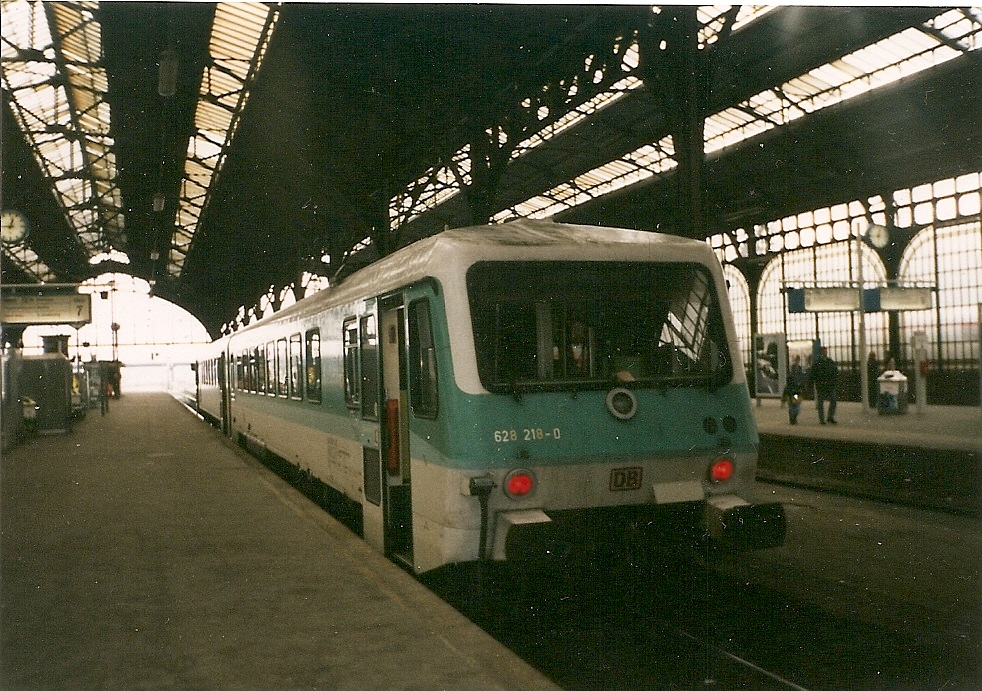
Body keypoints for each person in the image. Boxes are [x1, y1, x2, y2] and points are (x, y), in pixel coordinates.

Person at [809, 347, 838, 424]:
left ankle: (828, 417)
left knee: (832, 400)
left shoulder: (822, 362)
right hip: (823, 385)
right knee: (823, 402)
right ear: (821, 353)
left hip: (826, 384)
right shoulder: (824, 362)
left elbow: (835, 371)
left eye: (825, 351)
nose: (825, 353)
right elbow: (813, 374)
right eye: (824, 352)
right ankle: (824, 418)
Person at [782, 359, 804, 424]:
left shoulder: (794, 377)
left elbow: (786, 388)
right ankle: (793, 418)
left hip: (793, 393)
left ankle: (792, 418)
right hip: (793, 393)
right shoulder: (793, 377)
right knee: (795, 407)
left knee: (794, 407)